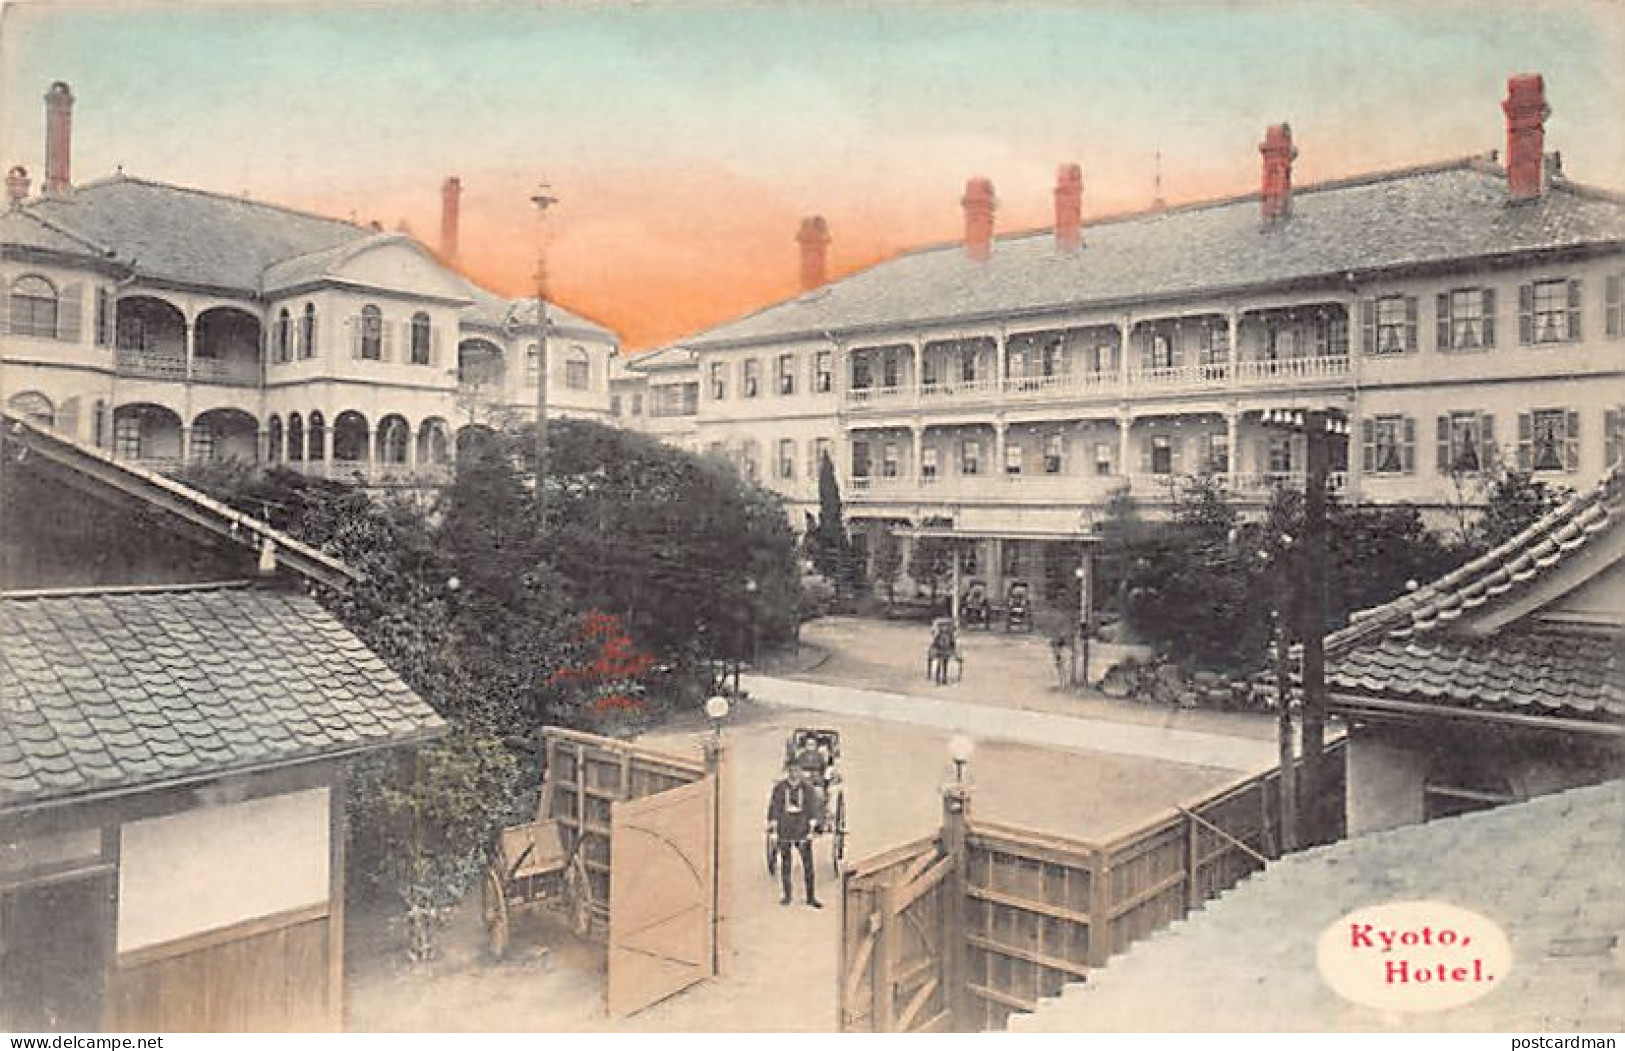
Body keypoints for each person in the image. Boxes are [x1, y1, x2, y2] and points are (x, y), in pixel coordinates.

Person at [766, 763, 822, 907]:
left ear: (801, 772)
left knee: (807, 864)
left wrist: (812, 824)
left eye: (797, 771)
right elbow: (774, 806)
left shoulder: (807, 788)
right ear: (787, 772)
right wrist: (773, 826)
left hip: (801, 827)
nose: (794, 774)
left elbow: (813, 806)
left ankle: (811, 897)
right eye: (791, 771)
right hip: (785, 827)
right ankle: (787, 895)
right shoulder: (779, 788)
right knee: (786, 863)